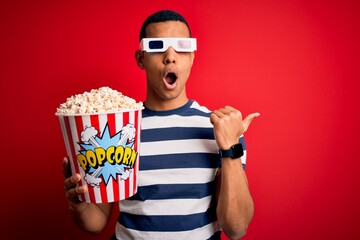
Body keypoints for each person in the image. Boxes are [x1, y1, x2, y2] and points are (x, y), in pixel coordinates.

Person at [62, 9, 259, 240]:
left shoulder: (222, 129)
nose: (170, 56)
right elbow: (95, 222)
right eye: (157, 46)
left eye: (182, 47)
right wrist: (79, 203)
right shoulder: (116, 128)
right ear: (140, 59)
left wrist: (230, 148)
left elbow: (236, 229)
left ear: (193, 57)